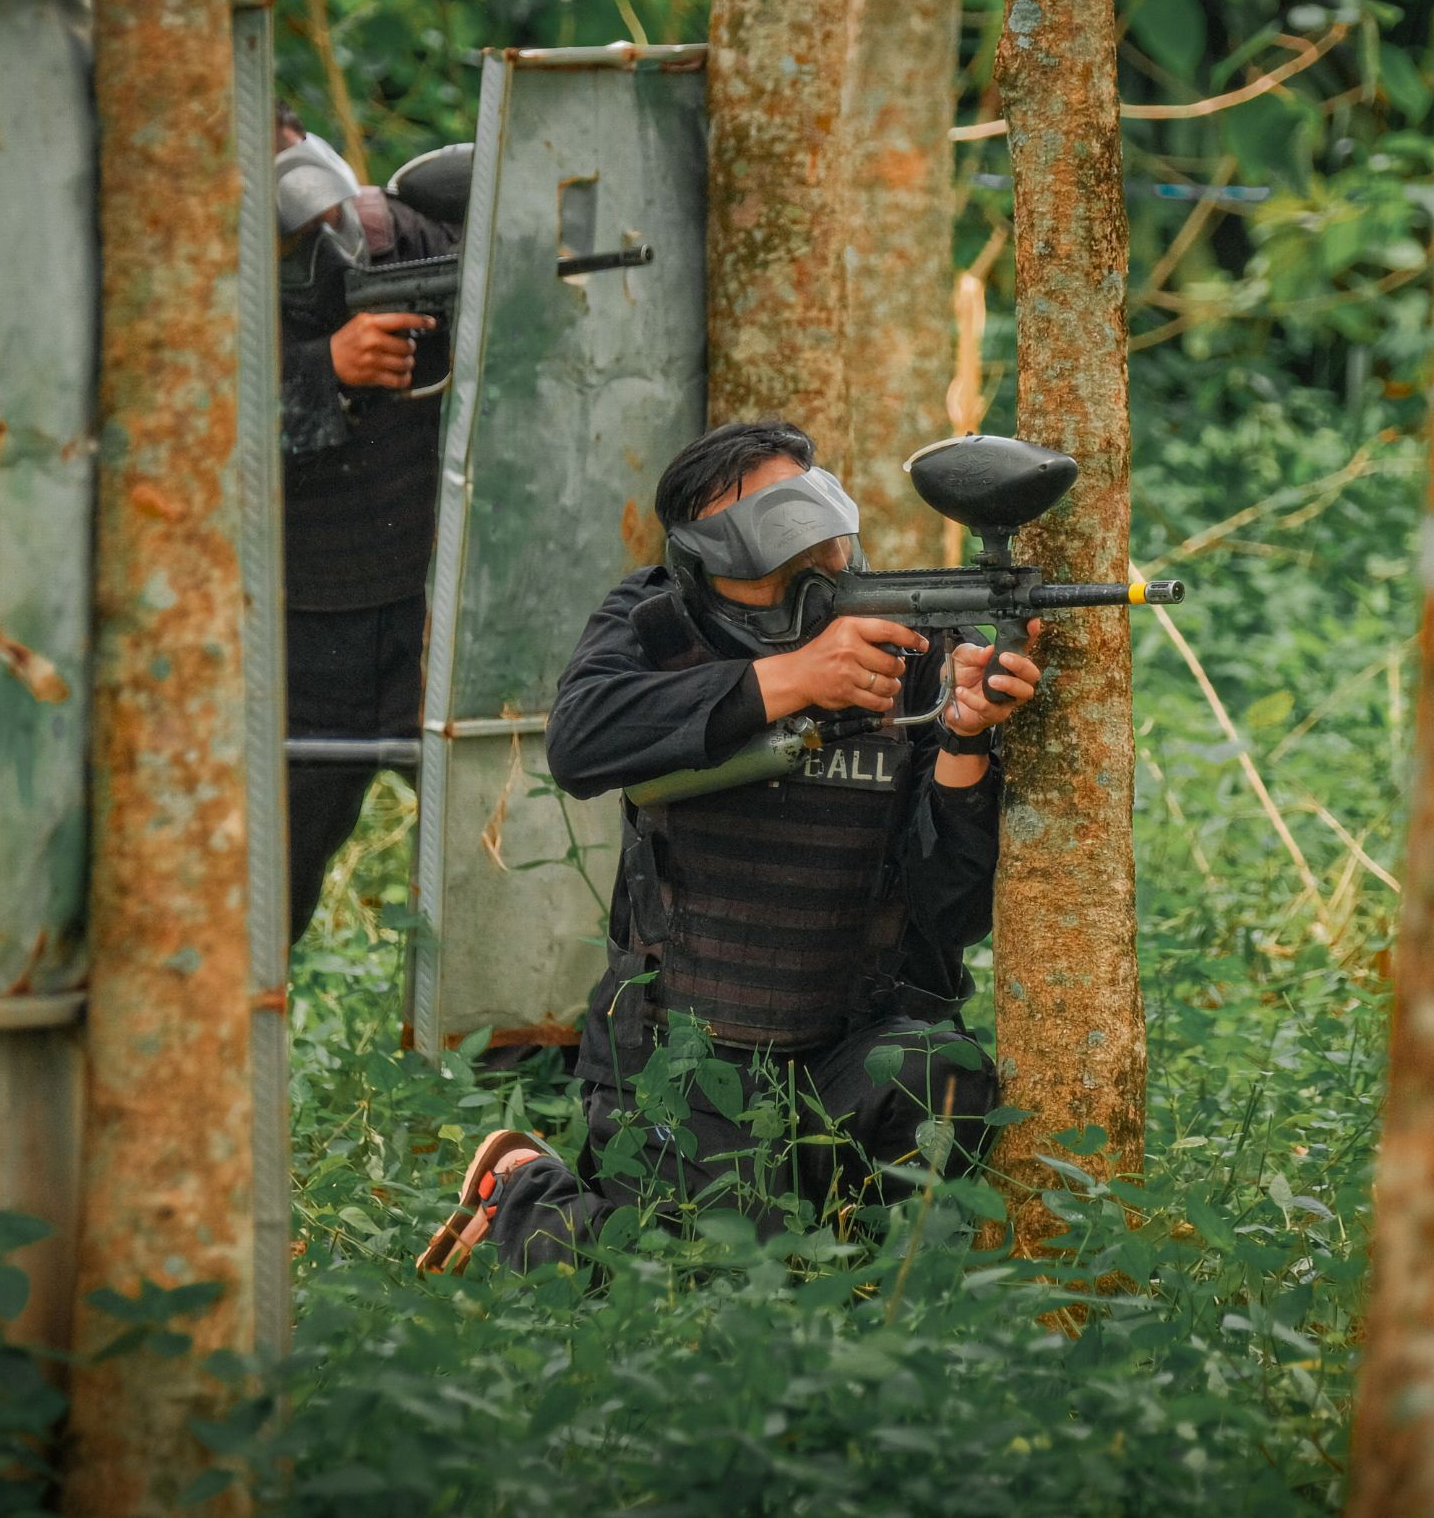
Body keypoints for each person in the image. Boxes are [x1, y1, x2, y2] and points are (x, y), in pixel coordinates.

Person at [417, 421, 1043, 1274]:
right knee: (687, 1284)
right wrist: (795, 680)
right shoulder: (657, 626)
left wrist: (967, 742)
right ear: (706, 564)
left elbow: (951, 909)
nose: (808, 563)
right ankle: (525, 1189)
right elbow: (578, 741)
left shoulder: (913, 644)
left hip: (848, 1047)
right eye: (767, 543)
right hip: (682, 1054)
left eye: (814, 535)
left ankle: (849, 1266)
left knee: (943, 1075)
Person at [273, 108, 461, 941]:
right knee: (273, 869)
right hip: (302, 625)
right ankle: (233, 1035)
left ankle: (513, 1048)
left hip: (435, 601)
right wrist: (325, 373)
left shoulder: (409, 235)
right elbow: (172, 431)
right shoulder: (187, 277)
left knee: (493, 838)